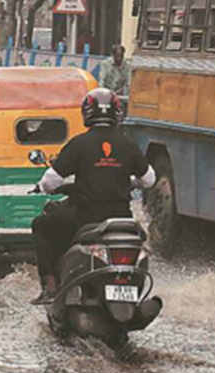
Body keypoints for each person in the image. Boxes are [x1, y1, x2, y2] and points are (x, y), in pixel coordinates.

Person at [29, 88, 156, 304]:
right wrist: (129, 179)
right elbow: (149, 180)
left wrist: (42, 187)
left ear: (87, 113)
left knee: (41, 224)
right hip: (121, 219)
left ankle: (50, 286)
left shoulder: (79, 144)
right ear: (117, 113)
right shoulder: (128, 144)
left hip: (86, 217)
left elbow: (51, 182)